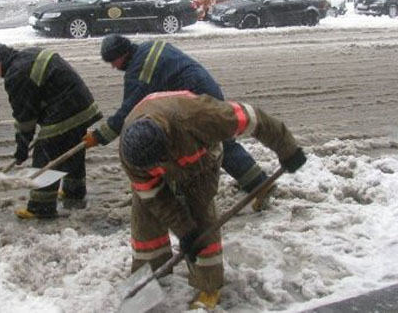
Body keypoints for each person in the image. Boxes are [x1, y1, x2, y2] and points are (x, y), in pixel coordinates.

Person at [118, 90, 306, 309]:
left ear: (166, 145)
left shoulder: (199, 117)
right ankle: (151, 272)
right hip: (160, 146)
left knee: (201, 216)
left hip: (199, 161)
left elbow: (254, 118)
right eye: (152, 168)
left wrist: (288, 148)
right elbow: (154, 196)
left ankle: (208, 285)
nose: (158, 170)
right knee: (145, 216)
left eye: (159, 163)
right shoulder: (131, 155)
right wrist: (184, 229)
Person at [83, 34, 272, 210]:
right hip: (206, 90)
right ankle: (254, 180)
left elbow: (128, 113)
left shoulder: (139, 72)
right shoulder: (150, 46)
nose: (113, 67)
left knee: (218, 144)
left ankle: (260, 185)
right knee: (222, 142)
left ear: (122, 54)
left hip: (195, 103)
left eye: (113, 61)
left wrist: (98, 136)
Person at [0, 41, 102, 219]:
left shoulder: (15, 75)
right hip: (81, 104)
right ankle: (74, 191)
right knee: (70, 148)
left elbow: (25, 117)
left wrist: (22, 148)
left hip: (65, 109)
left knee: (45, 154)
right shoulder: (28, 54)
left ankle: (41, 207)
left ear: (0, 60)